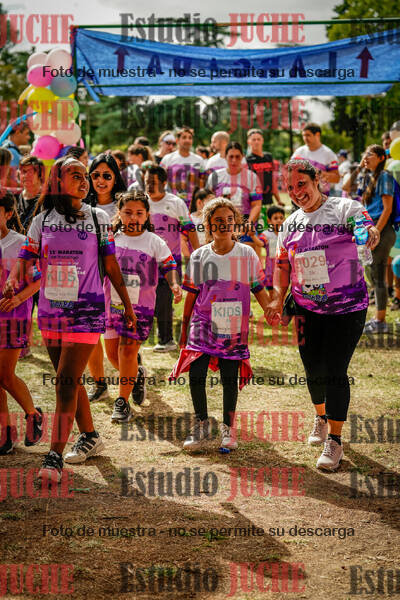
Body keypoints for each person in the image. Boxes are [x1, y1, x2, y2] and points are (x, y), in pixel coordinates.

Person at [5, 157, 135, 481]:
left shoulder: (98, 218)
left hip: (87, 312)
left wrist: (127, 304)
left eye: (84, 175)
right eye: (75, 175)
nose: (84, 180)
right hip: (51, 313)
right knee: (71, 380)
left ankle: (53, 458)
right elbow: (26, 258)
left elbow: (111, 265)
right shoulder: (42, 221)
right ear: (57, 181)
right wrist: (13, 279)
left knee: (64, 381)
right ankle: (90, 435)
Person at [265, 159, 380, 471]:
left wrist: (368, 233)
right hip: (307, 308)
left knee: (335, 369)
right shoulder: (290, 224)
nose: (297, 192)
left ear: (317, 179)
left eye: (301, 184)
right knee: (313, 368)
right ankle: (320, 417)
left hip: (347, 308)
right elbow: (282, 266)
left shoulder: (344, 208)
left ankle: (335, 440)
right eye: (290, 188)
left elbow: (365, 228)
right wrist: (278, 299)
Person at [172, 197, 270, 451]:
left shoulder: (246, 254)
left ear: (235, 223)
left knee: (229, 376)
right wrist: (184, 329)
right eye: (218, 220)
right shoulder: (199, 256)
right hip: (202, 323)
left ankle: (228, 427)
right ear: (208, 225)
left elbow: (258, 288)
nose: (224, 224)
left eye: (229, 219)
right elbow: (191, 296)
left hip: (232, 324)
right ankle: (201, 422)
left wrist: (270, 309)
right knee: (196, 372)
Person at [105, 190, 182, 421]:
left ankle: (122, 402)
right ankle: (137, 374)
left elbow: (169, 265)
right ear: (119, 213)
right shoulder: (111, 238)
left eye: (139, 213)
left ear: (147, 215)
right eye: (128, 212)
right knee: (113, 355)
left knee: (127, 352)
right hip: (111, 305)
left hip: (140, 309)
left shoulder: (154, 241)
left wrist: (174, 285)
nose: (134, 217)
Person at [0, 190, 43, 454]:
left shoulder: (20, 243)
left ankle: (33, 415)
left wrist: (17, 299)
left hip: (13, 317)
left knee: (5, 375)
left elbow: (38, 280)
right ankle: (6, 433)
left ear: (7, 213)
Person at [85, 153, 127, 402]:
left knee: (115, 346)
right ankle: (99, 384)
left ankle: (134, 373)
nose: (100, 180)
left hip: (119, 278)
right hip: (89, 277)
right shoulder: (81, 205)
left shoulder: (125, 205)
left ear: (115, 178)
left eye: (107, 176)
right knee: (91, 334)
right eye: (96, 175)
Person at [144, 164, 199, 352]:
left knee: (164, 299)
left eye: (153, 182)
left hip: (169, 261)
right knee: (148, 299)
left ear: (164, 183)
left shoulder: (176, 203)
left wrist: (198, 253)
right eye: (147, 182)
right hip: (145, 261)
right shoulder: (142, 202)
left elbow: (190, 229)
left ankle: (166, 340)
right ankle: (146, 336)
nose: (149, 186)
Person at [361, 145, 396, 334]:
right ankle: (377, 318)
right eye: (365, 154)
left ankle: (380, 321)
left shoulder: (384, 176)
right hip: (372, 229)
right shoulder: (369, 176)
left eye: (370, 154)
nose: (366, 157)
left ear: (381, 158)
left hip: (381, 230)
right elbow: (347, 187)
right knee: (372, 274)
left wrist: (375, 232)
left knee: (379, 275)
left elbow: (387, 208)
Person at [206, 141, 262, 247]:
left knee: (245, 255)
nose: (234, 160)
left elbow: (257, 204)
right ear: (225, 157)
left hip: (244, 226)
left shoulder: (251, 177)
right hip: (220, 226)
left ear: (242, 157)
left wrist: (249, 223)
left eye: (237, 157)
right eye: (231, 156)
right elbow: (208, 204)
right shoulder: (214, 177)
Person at [246, 128, 284, 228]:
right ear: (249, 142)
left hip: (269, 201)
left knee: (272, 230)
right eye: (253, 139)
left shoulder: (268, 157)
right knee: (259, 230)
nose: (256, 142)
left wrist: (278, 199)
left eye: (258, 139)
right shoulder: (247, 160)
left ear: (262, 140)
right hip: (255, 203)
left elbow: (272, 179)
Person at [160, 126, 206, 207]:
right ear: (177, 140)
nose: (187, 140)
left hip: (192, 205)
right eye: (184, 137)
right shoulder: (167, 159)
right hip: (172, 203)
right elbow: (159, 180)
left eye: (190, 138)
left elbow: (203, 182)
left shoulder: (199, 160)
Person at [291, 122, 339, 196]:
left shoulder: (329, 154)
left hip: (321, 197)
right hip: (300, 197)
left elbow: (336, 178)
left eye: (308, 135)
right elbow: (290, 172)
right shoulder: (298, 152)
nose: (305, 138)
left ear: (317, 135)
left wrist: (318, 172)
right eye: (303, 135)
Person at [248, 205, 285, 295]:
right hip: (271, 271)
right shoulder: (267, 234)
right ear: (269, 221)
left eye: (281, 218)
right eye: (275, 218)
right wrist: (253, 236)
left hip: (284, 270)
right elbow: (260, 243)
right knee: (272, 294)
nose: (279, 220)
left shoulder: (286, 234)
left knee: (282, 294)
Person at [16, 156, 45, 230]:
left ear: (40, 174)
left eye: (30, 172)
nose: (25, 176)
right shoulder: (14, 197)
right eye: (23, 172)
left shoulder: (47, 199)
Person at [1, 122, 30, 188]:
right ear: (17, 132)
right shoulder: (11, 151)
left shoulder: (7, 147)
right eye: (27, 133)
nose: (29, 137)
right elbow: (8, 180)